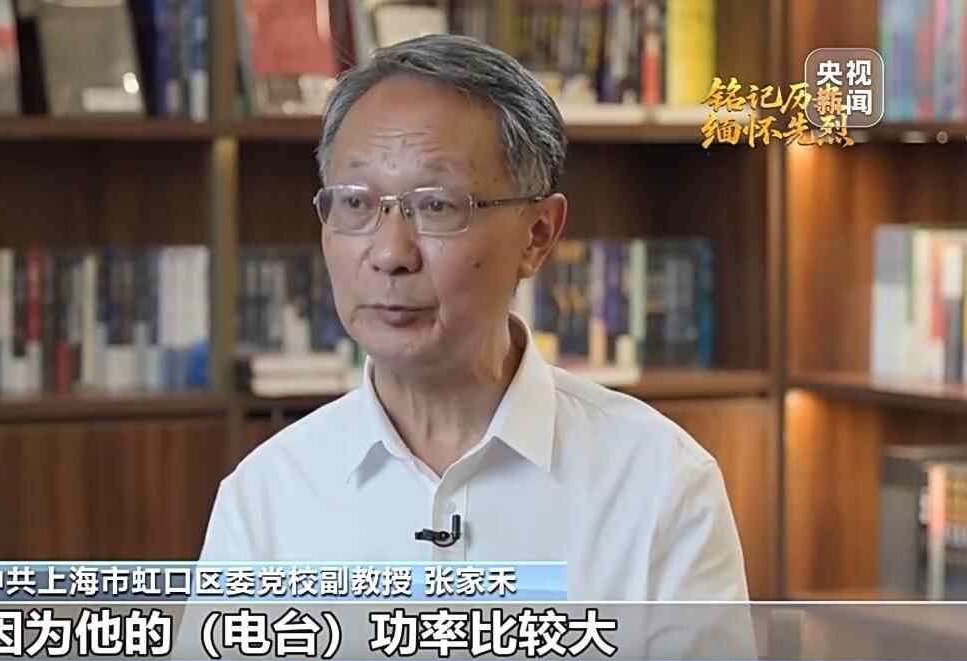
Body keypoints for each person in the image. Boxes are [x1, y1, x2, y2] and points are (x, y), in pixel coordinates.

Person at [199, 34, 751, 620]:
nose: (390, 253)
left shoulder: (660, 483)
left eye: (437, 205)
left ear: (538, 234)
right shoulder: (265, 497)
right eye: (356, 203)